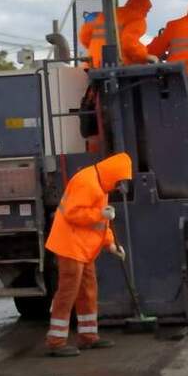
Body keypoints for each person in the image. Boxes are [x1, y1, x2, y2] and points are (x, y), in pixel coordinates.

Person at [44, 153, 132, 357]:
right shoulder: (88, 182)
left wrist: (111, 244)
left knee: (88, 290)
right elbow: (73, 214)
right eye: (120, 180)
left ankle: (88, 337)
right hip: (70, 245)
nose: (119, 186)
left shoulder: (101, 186)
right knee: (68, 291)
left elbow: (101, 225)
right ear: (114, 174)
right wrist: (100, 214)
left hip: (82, 248)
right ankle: (56, 341)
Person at [79, 0, 155, 68]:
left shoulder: (106, 14)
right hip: (117, 66)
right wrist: (144, 56)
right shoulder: (137, 19)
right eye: (147, 11)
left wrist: (97, 48)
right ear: (145, 8)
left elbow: (84, 36)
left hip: (93, 63)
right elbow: (128, 43)